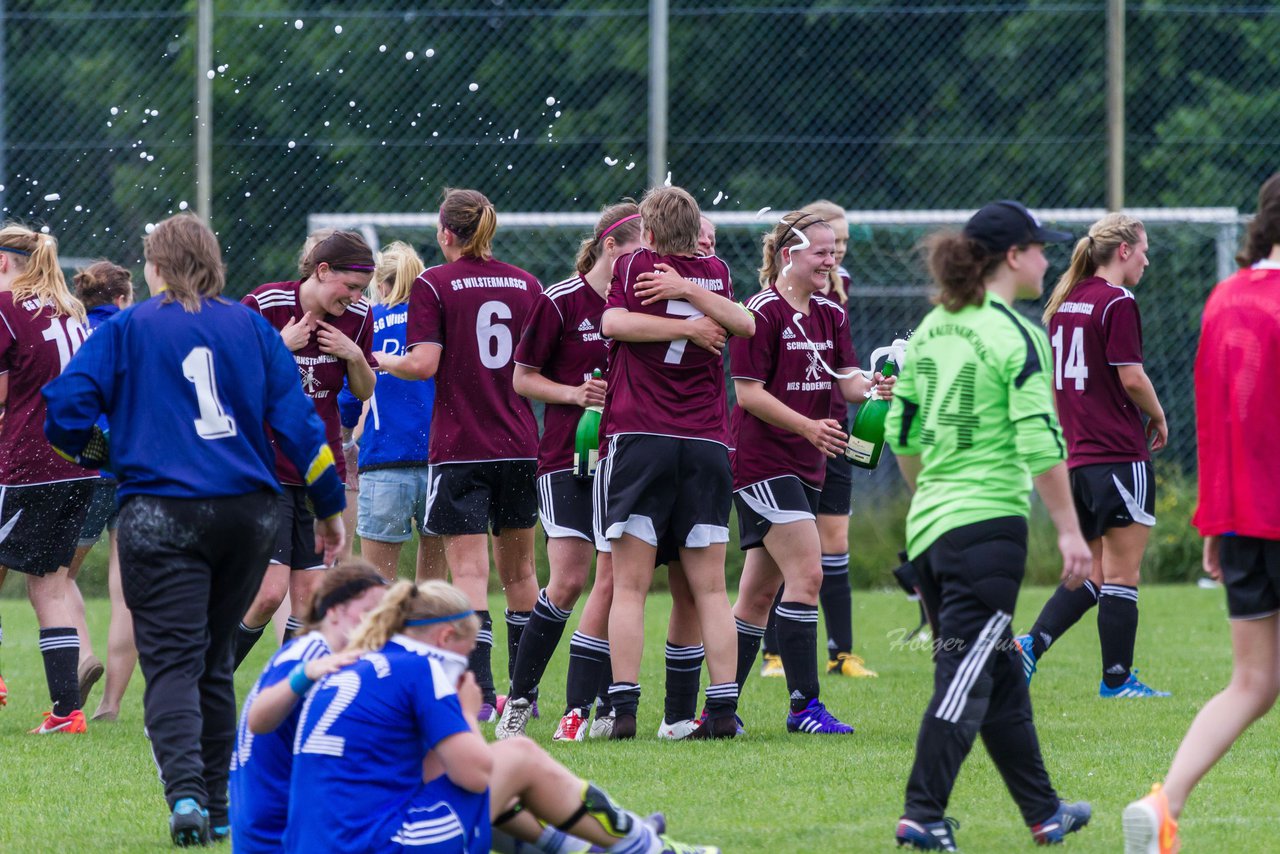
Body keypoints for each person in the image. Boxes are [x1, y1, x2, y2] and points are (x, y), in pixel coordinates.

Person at [43, 213, 346, 845]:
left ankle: (185, 795)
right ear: (215, 263)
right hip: (249, 512)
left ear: (154, 267)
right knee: (212, 661)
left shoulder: (127, 327)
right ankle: (219, 805)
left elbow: (64, 412)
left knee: (175, 664)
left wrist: (102, 453)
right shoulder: (250, 326)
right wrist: (328, 506)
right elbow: (299, 426)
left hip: (161, 511)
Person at [884, 200, 1093, 850]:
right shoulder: (1018, 335)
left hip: (932, 532)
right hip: (988, 533)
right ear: (1012, 257)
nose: (1048, 259)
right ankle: (923, 811)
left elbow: (901, 432)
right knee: (966, 675)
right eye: (1040, 248)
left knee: (997, 672)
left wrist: (931, 502)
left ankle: (1045, 812)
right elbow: (1040, 442)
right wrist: (1068, 530)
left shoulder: (929, 329)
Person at [286, 578, 718, 854]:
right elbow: (477, 776)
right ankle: (648, 849)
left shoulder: (366, 661)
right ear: (445, 637)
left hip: (319, 840)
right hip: (375, 842)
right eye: (465, 652)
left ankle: (594, 846)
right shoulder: (421, 669)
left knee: (478, 786)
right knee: (518, 757)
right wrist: (469, 716)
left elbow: (429, 775)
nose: (467, 666)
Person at [1122, 174, 1280, 854]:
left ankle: (1163, 803)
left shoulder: (1225, 298)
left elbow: (1218, 418)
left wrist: (1216, 521)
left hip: (1243, 519)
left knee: (1252, 681)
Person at [377, 188, 541, 719]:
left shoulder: (434, 283)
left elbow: (423, 363)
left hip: (462, 448)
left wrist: (381, 358)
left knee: (469, 575)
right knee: (520, 574)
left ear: (445, 233)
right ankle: (526, 695)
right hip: (518, 444)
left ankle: (485, 695)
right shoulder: (526, 283)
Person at [728, 211, 893, 736]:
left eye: (834, 252)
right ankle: (804, 708)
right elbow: (748, 394)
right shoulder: (760, 312)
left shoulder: (830, 312)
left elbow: (846, 381)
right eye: (821, 252)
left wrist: (874, 386)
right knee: (809, 574)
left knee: (756, 595)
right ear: (788, 256)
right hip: (761, 463)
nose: (831, 260)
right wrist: (808, 427)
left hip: (806, 464)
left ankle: (717, 705)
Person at [599, 185, 755, 739]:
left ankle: (623, 712)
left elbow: (613, 324)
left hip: (642, 436)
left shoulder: (638, 260)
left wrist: (681, 295)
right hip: (707, 442)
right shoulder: (717, 271)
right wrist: (690, 320)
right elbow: (742, 322)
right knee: (711, 588)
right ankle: (721, 710)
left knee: (631, 587)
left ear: (653, 231)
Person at [499, 202, 642, 739]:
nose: (643, 264)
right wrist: (573, 393)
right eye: (634, 252)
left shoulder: (637, 304)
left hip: (623, 458)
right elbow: (522, 378)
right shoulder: (559, 301)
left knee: (611, 580)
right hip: (565, 457)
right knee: (569, 581)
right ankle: (520, 697)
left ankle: (596, 704)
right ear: (611, 247)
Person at [1014, 213, 1170, 698]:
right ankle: (1117, 680)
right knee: (1123, 573)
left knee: (1095, 573)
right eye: (1143, 249)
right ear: (1122, 250)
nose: (1146, 258)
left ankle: (1029, 647)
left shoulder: (1065, 303)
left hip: (1075, 458)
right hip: (1117, 453)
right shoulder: (1117, 300)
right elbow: (1131, 377)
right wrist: (1160, 417)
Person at [234, 230, 377, 665]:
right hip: (267, 470)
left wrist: (354, 355)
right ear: (321, 270)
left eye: (361, 291)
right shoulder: (264, 305)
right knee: (267, 594)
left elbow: (365, 387)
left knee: (311, 600)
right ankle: (206, 683)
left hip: (321, 472)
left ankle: (288, 694)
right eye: (348, 287)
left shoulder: (358, 317)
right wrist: (280, 348)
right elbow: (230, 382)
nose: (354, 298)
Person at [0, 224, 95, 735]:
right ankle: (66, 712)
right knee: (52, 585)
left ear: (3, 263)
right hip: (78, 463)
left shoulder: (5, 307)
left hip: (29, 465)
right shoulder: (71, 311)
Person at [231, 559, 388, 852]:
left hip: (281, 823)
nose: (377, 625)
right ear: (334, 610)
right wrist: (305, 675)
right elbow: (258, 718)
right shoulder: (309, 653)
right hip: (277, 832)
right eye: (368, 613)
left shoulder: (327, 652)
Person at [341, 242, 445, 582]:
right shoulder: (437, 323)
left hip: (384, 458)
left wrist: (345, 442)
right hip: (439, 460)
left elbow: (348, 395)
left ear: (380, 284)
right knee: (432, 585)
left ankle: (384, 637)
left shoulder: (367, 323)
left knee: (378, 584)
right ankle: (427, 636)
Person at [62, 260, 138, 720]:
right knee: (125, 591)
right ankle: (110, 704)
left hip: (87, 468)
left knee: (58, 579)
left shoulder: (71, 333)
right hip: (135, 470)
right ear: (124, 298)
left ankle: (83, 653)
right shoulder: (139, 334)